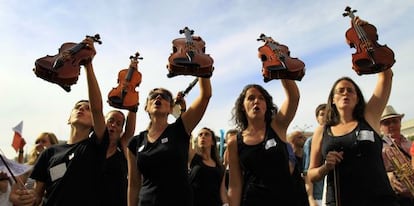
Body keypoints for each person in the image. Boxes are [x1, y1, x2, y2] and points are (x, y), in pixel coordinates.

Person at [10, 36, 109, 206]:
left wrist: (88, 65)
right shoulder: (49, 153)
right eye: (78, 107)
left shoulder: (96, 145)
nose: (82, 109)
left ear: (95, 122)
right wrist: (24, 197)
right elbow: (34, 188)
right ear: (68, 118)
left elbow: (97, 109)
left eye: (87, 108)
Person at [307, 60, 398, 204]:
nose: (345, 93)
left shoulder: (370, 117)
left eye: (350, 90)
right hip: (340, 200)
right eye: (341, 91)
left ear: (357, 98)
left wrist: (369, 49)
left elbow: (386, 76)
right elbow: (311, 174)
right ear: (333, 100)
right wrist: (326, 167)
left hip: (380, 200)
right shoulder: (322, 131)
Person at [127, 76, 212, 206]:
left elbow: (205, 95)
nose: (158, 98)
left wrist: (201, 69)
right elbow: (133, 185)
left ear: (171, 108)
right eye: (153, 95)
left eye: (165, 96)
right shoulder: (135, 142)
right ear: (146, 107)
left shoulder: (180, 129)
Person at [226, 79, 300, 206]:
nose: (256, 101)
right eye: (251, 98)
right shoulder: (234, 142)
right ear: (243, 107)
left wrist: (281, 66)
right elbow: (235, 185)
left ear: (266, 106)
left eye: (261, 98)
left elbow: (293, 97)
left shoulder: (278, 126)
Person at [101, 109, 136, 206]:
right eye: (110, 121)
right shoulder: (90, 146)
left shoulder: (122, 146)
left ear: (121, 129)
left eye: (118, 124)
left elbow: (130, 131)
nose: (113, 125)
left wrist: (132, 106)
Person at [381, 105, 414, 205]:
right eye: (386, 123)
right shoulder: (379, 148)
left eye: (395, 121)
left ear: (400, 123)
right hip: (399, 198)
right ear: (380, 127)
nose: (391, 125)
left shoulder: (410, 143)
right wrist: (388, 175)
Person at [188, 127, 229, 206]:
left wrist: (226, 204)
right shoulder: (194, 157)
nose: (203, 136)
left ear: (213, 142)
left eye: (206, 134)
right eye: (200, 135)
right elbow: (185, 134)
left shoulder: (220, 167)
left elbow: (222, 190)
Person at [303, 103, 326, 206]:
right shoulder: (311, 142)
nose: (325, 117)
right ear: (317, 118)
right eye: (322, 114)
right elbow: (307, 172)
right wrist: (311, 198)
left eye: (328, 114)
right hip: (319, 196)